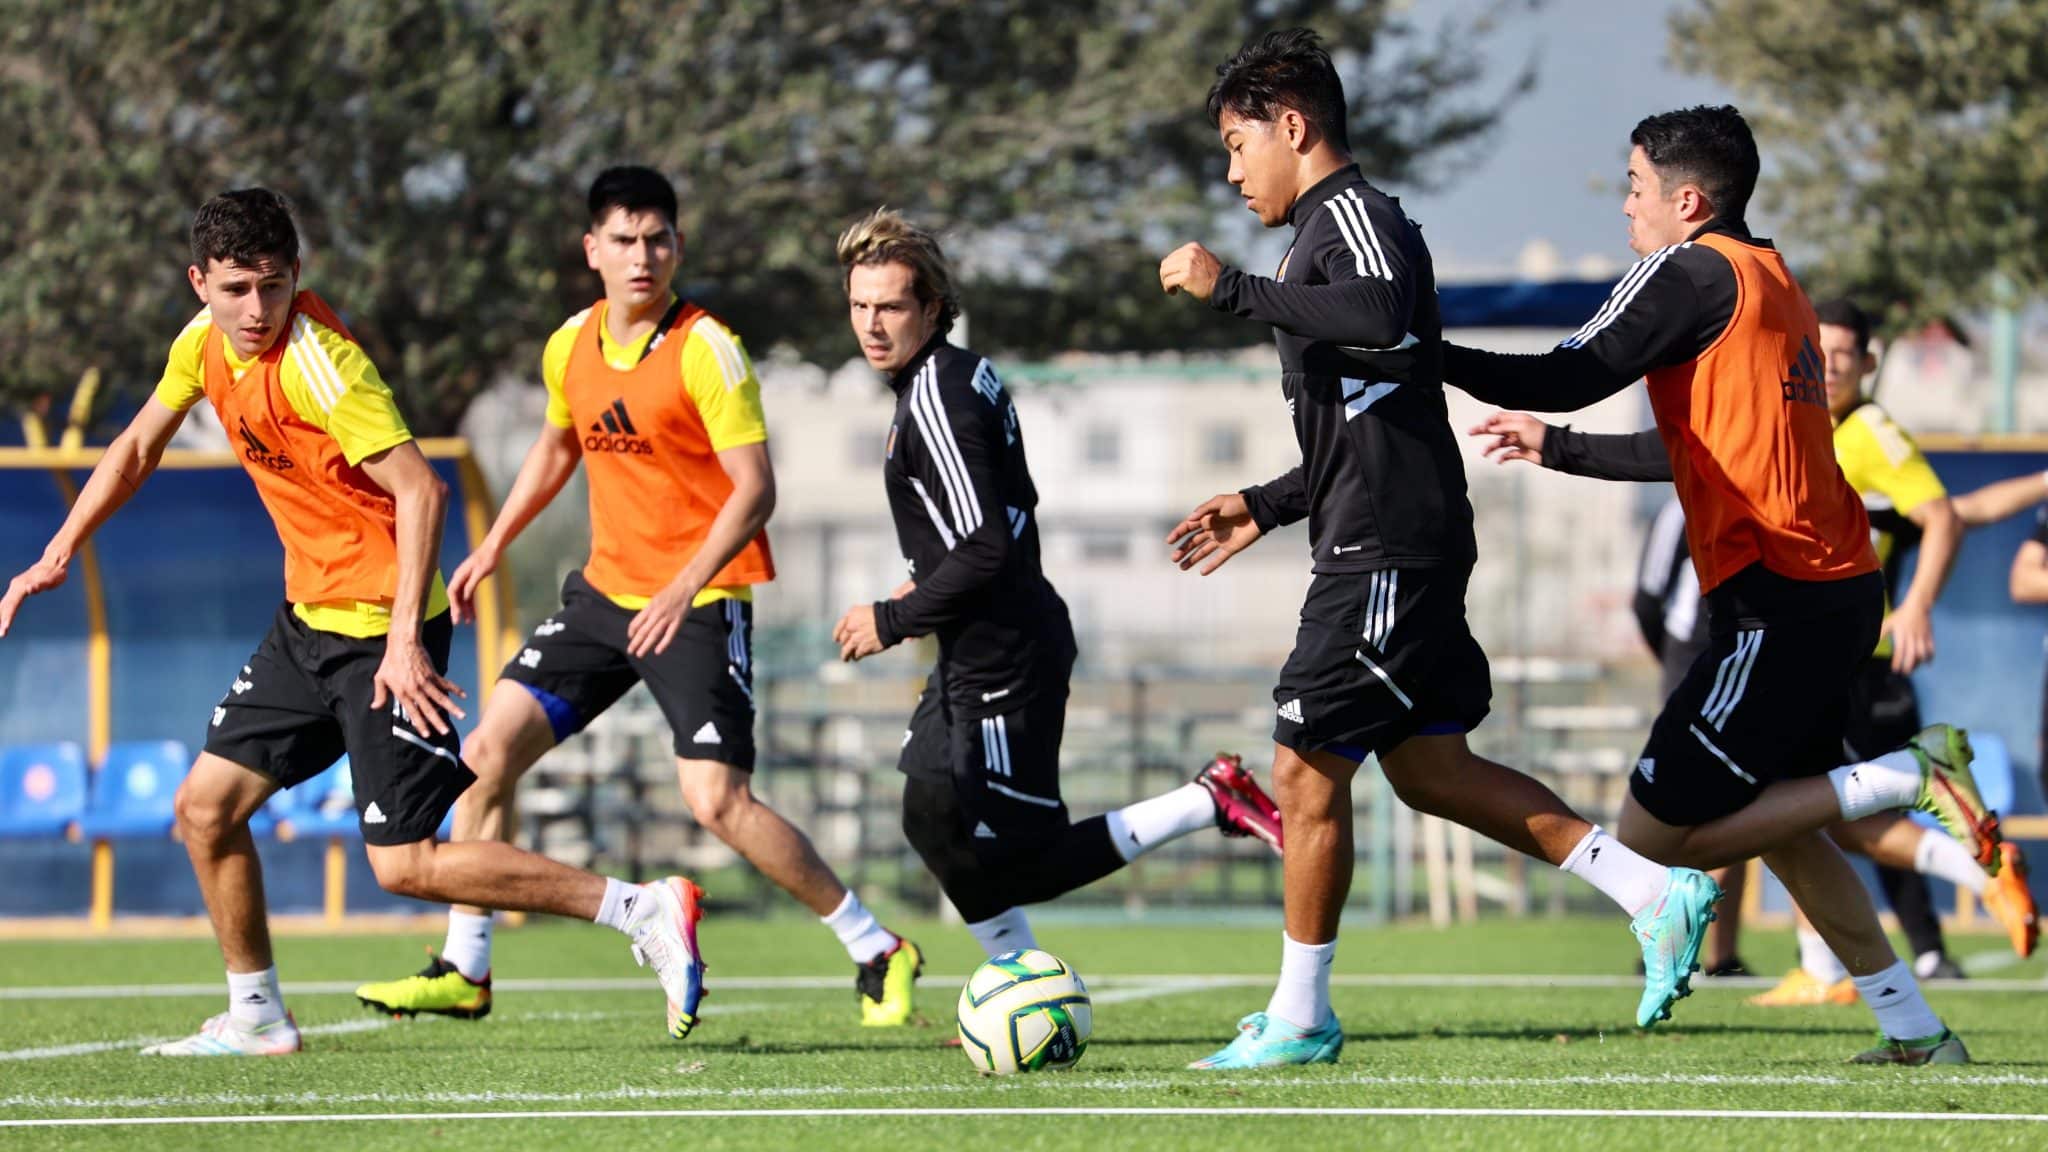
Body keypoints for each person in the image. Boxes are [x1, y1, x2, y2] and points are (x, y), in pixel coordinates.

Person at [1154, 29, 1746, 1071]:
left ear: (1292, 127)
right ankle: (1651, 890)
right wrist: (1265, 500)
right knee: (1430, 771)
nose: (1232, 169)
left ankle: (1299, 1018)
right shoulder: (1317, 239)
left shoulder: (1354, 219)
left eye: (1238, 144)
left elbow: (1386, 314)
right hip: (1382, 535)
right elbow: (1380, 411)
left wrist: (1232, 288)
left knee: (1299, 772)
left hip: (1385, 553)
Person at [0, 189, 703, 1053]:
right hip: (308, 625)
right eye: (236, 289)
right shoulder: (201, 346)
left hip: (382, 630)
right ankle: (256, 1014)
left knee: (405, 865)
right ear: (200, 285)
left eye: (273, 284)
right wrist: (61, 547)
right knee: (206, 809)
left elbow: (423, 490)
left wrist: (405, 638)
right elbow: (140, 444)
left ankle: (643, 909)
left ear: (297, 276)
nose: (257, 309)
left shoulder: (323, 362)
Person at [1441, 105, 2002, 1064]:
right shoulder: (1770, 278)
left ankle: (1909, 773)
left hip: (1778, 599)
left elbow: (1576, 368)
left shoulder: (1688, 270)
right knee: (1780, 822)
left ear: (1687, 200)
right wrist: (1559, 448)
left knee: (1660, 832)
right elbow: (1694, 444)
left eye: (1633, 187)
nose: (1625, 208)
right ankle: (1914, 1028)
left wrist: (1424, 359)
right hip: (1828, 588)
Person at [351, 168, 923, 1028]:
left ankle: (876, 946)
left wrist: (684, 586)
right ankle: (465, 966)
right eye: (624, 240)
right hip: (602, 598)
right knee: (486, 755)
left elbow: (754, 491)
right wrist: (494, 544)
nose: (642, 256)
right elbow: (555, 449)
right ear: (593, 251)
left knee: (715, 802)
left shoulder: (706, 348)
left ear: (678, 247)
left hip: (699, 599)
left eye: (658, 239)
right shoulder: (569, 345)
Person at [1474, 299, 2039, 997]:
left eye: (1840, 356)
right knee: (1790, 815)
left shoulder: (1862, 429)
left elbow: (1944, 514)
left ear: (1869, 364)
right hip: (1807, 632)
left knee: (1671, 831)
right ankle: (1889, 999)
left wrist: (1917, 604)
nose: (1825, 367)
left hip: (1808, 637)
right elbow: (1957, 511)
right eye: (1817, 354)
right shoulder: (1802, 423)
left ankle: (1909, 806)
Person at [829, 207, 1285, 965]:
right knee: (929, 814)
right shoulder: (938, 380)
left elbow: (985, 548)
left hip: (1008, 657)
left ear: (933, 309)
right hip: (973, 649)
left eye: (891, 306)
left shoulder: (937, 395)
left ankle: (1209, 798)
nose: (872, 324)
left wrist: (892, 616)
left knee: (1022, 860)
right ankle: (1018, 982)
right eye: (859, 306)